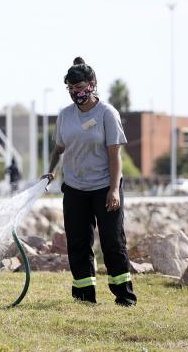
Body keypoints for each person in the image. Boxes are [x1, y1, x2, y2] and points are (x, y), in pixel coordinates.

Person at [41, 57, 137, 307]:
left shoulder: (107, 113)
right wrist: (50, 172)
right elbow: (59, 149)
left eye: (81, 87)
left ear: (93, 85)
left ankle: (124, 296)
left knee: (112, 241)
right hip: (74, 188)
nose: (77, 93)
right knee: (78, 243)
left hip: (105, 187)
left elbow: (115, 156)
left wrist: (114, 190)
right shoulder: (65, 116)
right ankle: (84, 297)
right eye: (72, 89)